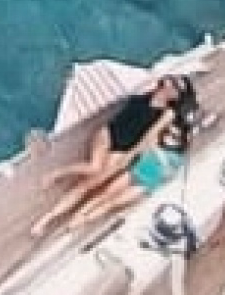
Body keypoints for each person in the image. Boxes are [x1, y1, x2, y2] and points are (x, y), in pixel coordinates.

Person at [31, 75, 197, 236]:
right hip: (109, 133)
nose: (171, 83)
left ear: (176, 96)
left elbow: (149, 137)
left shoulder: (167, 114)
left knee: (89, 184)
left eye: (177, 86)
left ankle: (49, 218)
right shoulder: (146, 89)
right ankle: (55, 179)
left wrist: (130, 156)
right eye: (173, 80)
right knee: (94, 168)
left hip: (123, 149)